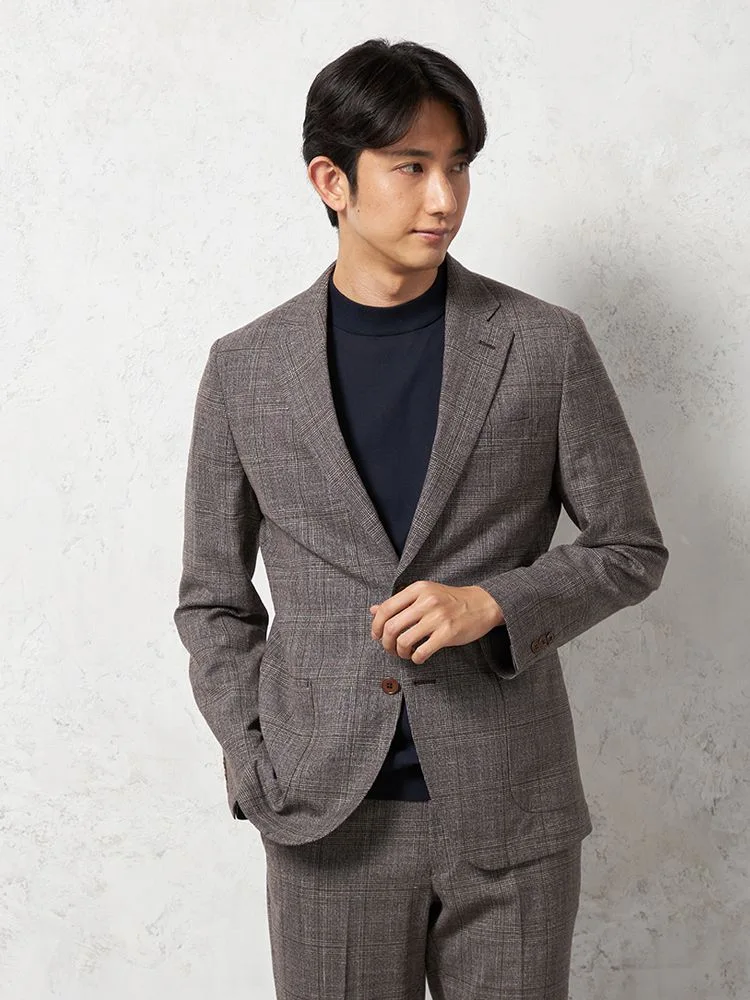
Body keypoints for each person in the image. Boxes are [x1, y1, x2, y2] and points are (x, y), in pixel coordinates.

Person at [173, 37, 669, 1000]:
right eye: (411, 168)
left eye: (459, 166)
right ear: (333, 181)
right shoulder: (246, 368)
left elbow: (629, 547)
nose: (444, 198)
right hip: (326, 817)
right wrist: (256, 753)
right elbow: (212, 600)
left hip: (511, 816)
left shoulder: (544, 345)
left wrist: (495, 603)